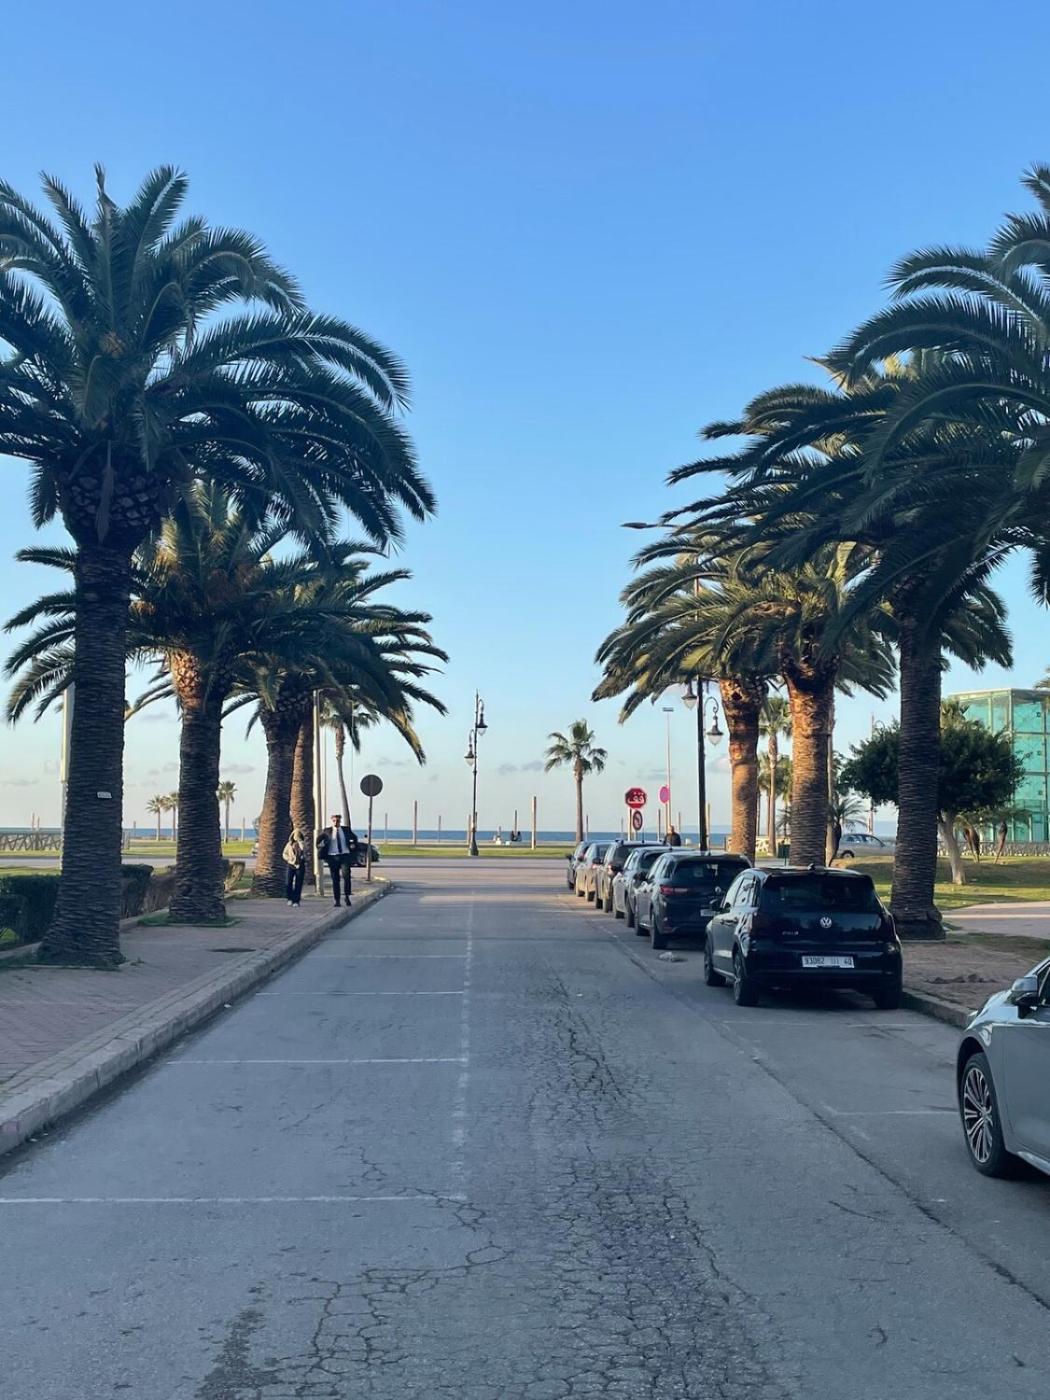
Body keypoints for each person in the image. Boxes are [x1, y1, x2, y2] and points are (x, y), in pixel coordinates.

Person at [316, 813, 359, 907]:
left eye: (338, 820)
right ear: (332, 821)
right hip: (333, 857)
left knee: (346, 877)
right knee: (335, 879)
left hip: (344, 856)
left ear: (340, 821)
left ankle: (347, 896)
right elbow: (318, 841)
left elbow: (354, 838)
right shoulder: (327, 831)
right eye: (334, 821)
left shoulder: (346, 830)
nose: (336, 822)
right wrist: (321, 848)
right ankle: (337, 900)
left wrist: (353, 845)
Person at [282, 828, 307, 906]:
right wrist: (288, 859)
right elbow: (284, 853)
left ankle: (296, 901)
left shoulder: (302, 843)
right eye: (295, 834)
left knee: (298, 884)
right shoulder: (289, 844)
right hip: (291, 864)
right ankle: (290, 898)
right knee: (288, 882)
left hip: (300, 865)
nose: (296, 836)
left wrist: (300, 841)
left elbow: (303, 849)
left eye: (298, 834)